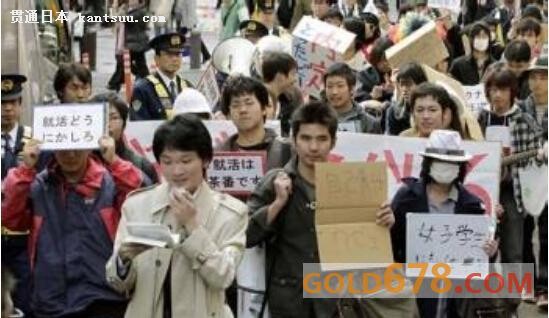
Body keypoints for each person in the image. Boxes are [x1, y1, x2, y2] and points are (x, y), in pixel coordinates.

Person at [246, 101, 395, 317]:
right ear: (293, 140)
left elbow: (367, 251)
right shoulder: (274, 181)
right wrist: (277, 204)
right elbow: (247, 235)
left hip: (333, 300)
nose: (313, 147)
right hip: (288, 299)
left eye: (322, 139)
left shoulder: (351, 185)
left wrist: (383, 223)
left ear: (333, 142)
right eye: (306, 138)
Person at [106, 114, 248, 318]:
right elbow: (117, 283)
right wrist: (123, 260)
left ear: (205, 160)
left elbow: (223, 277)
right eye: (167, 161)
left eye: (186, 160)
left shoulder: (231, 213)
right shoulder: (137, 206)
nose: (176, 171)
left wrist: (193, 227)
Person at [2, 130, 149, 317]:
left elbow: (142, 199)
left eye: (77, 149)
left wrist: (115, 162)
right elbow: (10, 219)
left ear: (89, 147)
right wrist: (24, 169)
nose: (70, 155)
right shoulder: (37, 184)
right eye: (63, 149)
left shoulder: (110, 182)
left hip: (104, 295)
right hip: (51, 299)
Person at [391, 129, 499, 318]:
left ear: (460, 167)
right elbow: (392, 246)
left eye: (451, 163)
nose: (445, 167)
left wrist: (490, 252)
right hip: (413, 291)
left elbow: (478, 260)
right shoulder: (406, 198)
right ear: (429, 164)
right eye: (439, 161)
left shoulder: (471, 204)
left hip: (453, 296)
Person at [477, 67, 544, 268]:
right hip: (483, 189)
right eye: (493, 89)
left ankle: (513, 297)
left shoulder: (524, 119)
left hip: (513, 189)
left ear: (512, 92)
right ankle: (482, 295)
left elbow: (539, 153)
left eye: (503, 90)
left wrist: (540, 154)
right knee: (481, 243)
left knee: (514, 246)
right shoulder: (480, 118)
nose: (497, 95)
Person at [1, 74, 32, 317]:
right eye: (2, 103)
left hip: (25, 236)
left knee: (26, 297)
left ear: (21, 105)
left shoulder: (34, 139)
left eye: (12, 102)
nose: (7, 109)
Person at [518, 54, 548, 308]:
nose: (538, 82)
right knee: (524, 231)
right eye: (534, 77)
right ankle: (527, 283)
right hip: (525, 176)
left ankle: (545, 287)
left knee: (547, 232)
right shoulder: (520, 109)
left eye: (544, 77)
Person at [218, 75, 292, 170]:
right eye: (235, 105)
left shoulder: (286, 150)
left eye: (249, 103)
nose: (243, 110)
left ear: (264, 108)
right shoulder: (218, 153)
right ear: (228, 114)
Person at [91, 93, 159, 183]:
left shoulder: (141, 165)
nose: (107, 124)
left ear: (124, 123)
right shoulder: (78, 163)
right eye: (100, 118)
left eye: (114, 118)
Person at [130, 32, 193, 120]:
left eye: (178, 54)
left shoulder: (188, 87)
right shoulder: (143, 89)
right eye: (169, 54)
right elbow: (139, 125)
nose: (174, 59)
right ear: (157, 59)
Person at [323, 63, 381, 133]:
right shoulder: (315, 120)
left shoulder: (369, 123)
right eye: (329, 86)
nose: (334, 92)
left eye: (340, 86)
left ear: (352, 89)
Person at [107, 0, 150, 92]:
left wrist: (116, 15)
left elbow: (127, 19)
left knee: (126, 63)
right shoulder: (131, 10)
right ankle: (145, 79)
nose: (130, 1)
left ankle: (114, 83)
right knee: (136, 64)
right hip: (133, 42)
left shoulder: (140, 12)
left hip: (136, 43)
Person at [400, 82, 465, 139]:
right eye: (420, 110)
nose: (426, 116)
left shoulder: (459, 143)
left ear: (445, 113)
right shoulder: (404, 139)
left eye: (432, 110)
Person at [261, 51, 302, 136]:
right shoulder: (257, 98)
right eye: (293, 74)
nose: (295, 79)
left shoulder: (290, 98)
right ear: (279, 76)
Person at [385, 62, 428, 135]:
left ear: (420, 84)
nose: (404, 89)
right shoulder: (393, 112)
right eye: (402, 84)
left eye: (408, 84)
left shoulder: (431, 109)